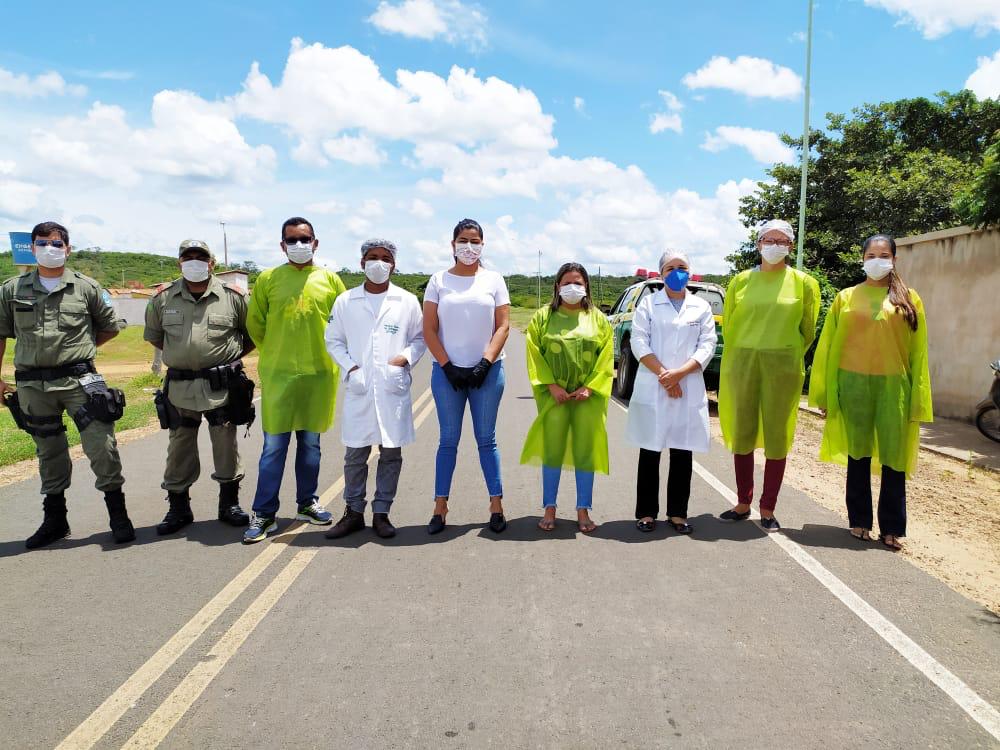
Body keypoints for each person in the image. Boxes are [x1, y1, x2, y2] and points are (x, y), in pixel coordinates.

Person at [0, 221, 135, 548]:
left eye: (57, 243)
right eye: (43, 242)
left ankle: (118, 514)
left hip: (80, 381)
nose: (50, 248)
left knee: (101, 445)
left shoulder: (86, 287)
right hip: (33, 385)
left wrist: (79, 351)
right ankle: (55, 520)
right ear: (32, 248)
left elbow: (109, 327)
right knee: (48, 451)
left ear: (68, 248)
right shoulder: (11, 290)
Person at [808, 234, 932, 551]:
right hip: (853, 386)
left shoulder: (909, 299)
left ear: (894, 259)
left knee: (894, 458)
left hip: (894, 388)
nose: (878, 259)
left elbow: (919, 353)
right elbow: (827, 348)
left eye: (884, 254)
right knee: (858, 455)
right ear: (862, 259)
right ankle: (859, 520)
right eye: (872, 254)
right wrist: (824, 393)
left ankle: (892, 527)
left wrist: (918, 399)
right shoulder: (846, 297)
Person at [242, 217, 346, 543]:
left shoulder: (330, 281)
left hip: (319, 375)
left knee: (311, 445)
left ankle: (307, 503)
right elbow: (255, 324)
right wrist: (276, 351)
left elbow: (345, 322)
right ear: (282, 244)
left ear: (316, 243)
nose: (298, 245)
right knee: (273, 446)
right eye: (292, 239)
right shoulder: (268, 279)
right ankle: (264, 513)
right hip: (278, 375)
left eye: (305, 239)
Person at [144, 239, 255, 535]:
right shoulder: (163, 298)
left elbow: (251, 335)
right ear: (179, 262)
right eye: (188, 256)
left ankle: (228, 504)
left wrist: (226, 360)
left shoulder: (234, 297)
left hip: (221, 387)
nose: (194, 261)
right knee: (179, 446)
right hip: (180, 386)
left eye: (200, 256)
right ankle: (178, 508)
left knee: (225, 444)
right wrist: (183, 355)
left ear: (212, 263)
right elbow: (156, 337)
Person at [717, 219, 820, 531]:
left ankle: (768, 506)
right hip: (743, 361)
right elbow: (730, 325)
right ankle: (743, 501)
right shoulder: (741, 281)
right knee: (743, 431)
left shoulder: (804, 283)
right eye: (769, 240)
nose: (775, 245)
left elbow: (808, 330)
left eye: (782, 240)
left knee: (777, 435)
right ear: (759, 244)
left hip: (783, 365)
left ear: (790, 246)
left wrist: (783, 351)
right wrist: (746, 352)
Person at [324, 239, 426, 539]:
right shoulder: (346, 301)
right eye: (372, 257)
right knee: (355, 455)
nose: (378, 263)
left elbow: (420, 339)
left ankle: (382, 513)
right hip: (360, 386)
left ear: (393, 265)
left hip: (391, 385)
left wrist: (404, 358)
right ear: (361, 263)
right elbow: (334, 340)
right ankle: (353, 512)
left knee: (390, 454)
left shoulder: (406, 301)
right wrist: (351, 368)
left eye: (385, 258)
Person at [422, 218, 510, 534]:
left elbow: (503, 325)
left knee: (487, 440)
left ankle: (496, 504)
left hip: (487, 372)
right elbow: (429, 328)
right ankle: (440, 505)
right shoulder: (438, 280)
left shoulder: (494, 280)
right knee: (448, 440)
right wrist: (446, 365)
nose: (469, 247)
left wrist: (485, 362)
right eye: (463, 240)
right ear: (453, 245)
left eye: (475, 241)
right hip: (448, 374)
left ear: (482, 245)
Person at [625, 250, 717, 534]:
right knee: (650, 450)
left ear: (690, 272)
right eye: (670, 268)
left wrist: (679, 374)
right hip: (655, 384)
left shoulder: (701, 307)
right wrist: (665, 375)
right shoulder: (649, 305)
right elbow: (639, 342)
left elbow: (707, 344)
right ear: (661, 273)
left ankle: (678, 513)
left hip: (687, 384)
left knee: (682, 450)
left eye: (682, 267)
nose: (677, 272)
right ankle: (646, 513)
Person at [520, 263, 613, 533]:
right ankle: (549, 507)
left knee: (585, 451)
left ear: (586, 287)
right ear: (557, 287)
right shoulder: (542, 317)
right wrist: (550, 385)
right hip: (554, 396)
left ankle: (583, 509)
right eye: (567, 282)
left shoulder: (597, 319)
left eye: (579, 283)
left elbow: (606, 357)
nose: (573, 288)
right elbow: (534, 352)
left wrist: (591, 387)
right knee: (553, 448)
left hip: (588, 397)